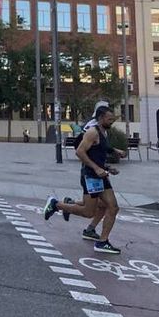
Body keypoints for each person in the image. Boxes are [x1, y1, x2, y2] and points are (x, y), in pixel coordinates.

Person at [44, 105, 122, 254]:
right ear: (100, 118)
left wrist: (107, 167)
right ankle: (56, 205)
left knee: (112, 207)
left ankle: (102, 241)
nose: (111, 122)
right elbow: (80, 152)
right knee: (88, 212)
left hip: (101, 176)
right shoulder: (93, 132)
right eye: (109, 119)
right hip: (91, 176)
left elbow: (96, 154)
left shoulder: (103, 132)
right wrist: (96, 168)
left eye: (112, 119)